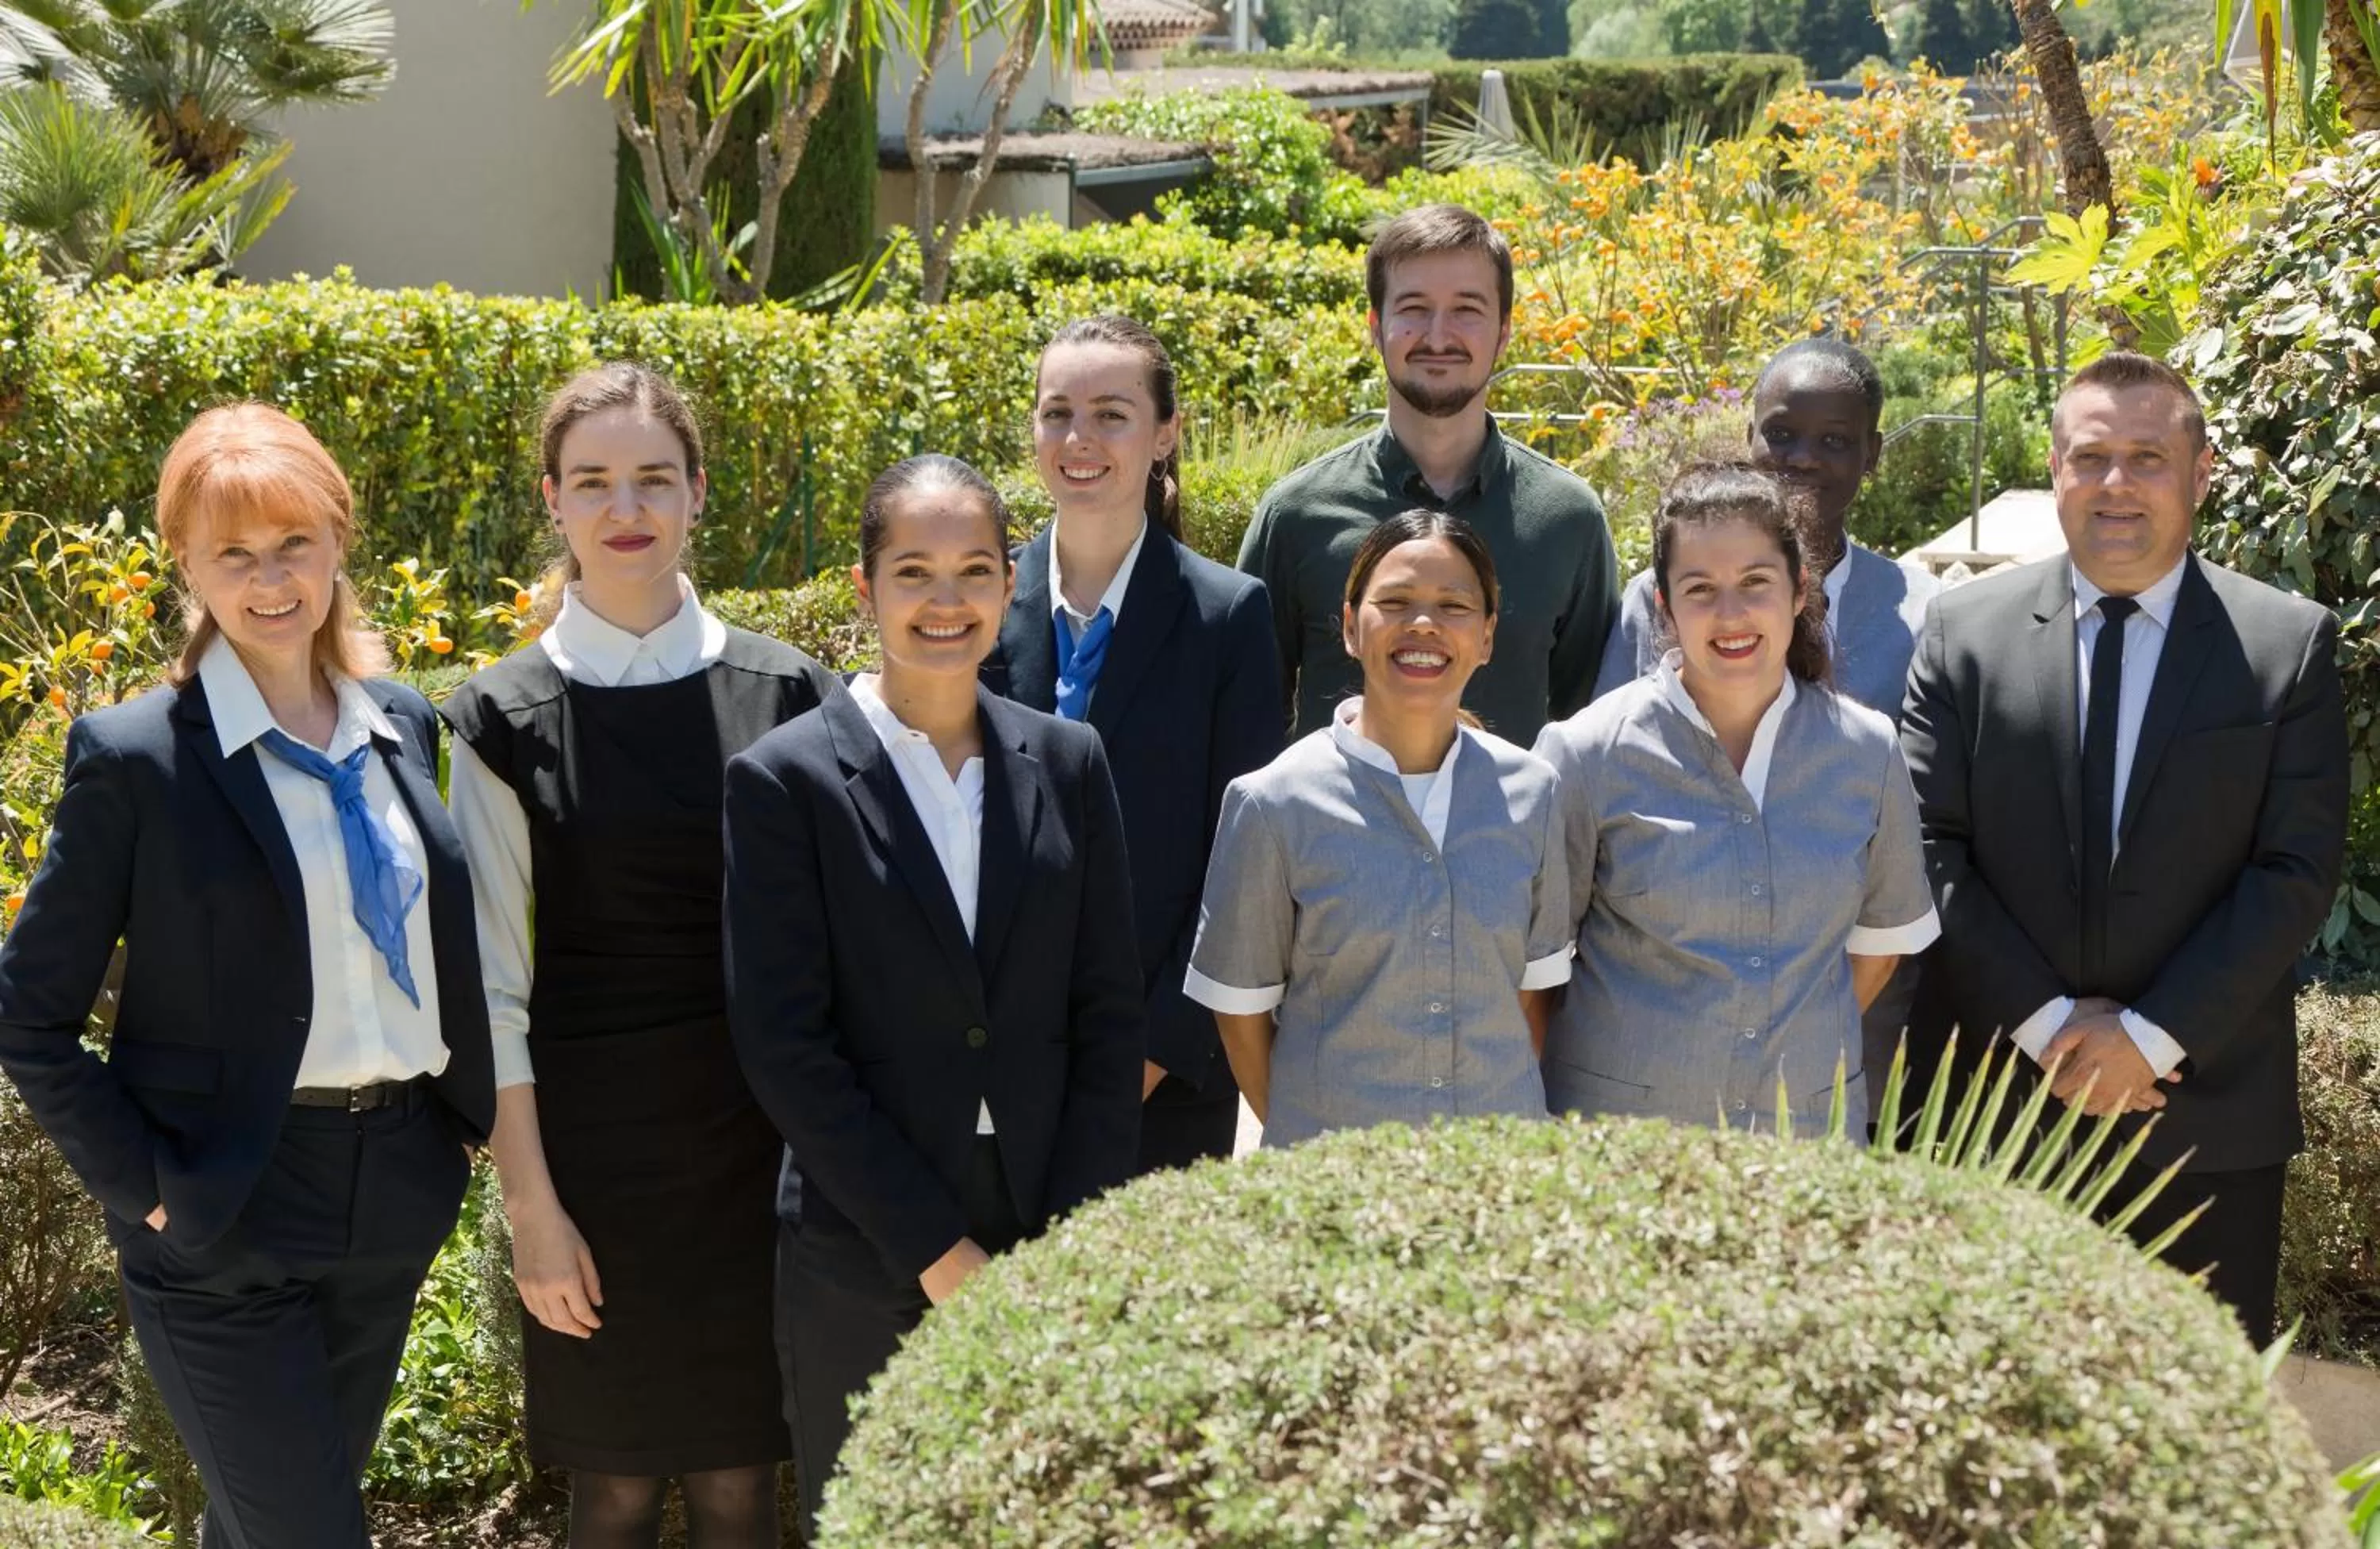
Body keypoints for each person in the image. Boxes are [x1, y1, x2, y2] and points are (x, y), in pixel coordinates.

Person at [0, 404, 495, 1547]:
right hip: (225, 1210)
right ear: (189, 565)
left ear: (336, 545)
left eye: (294, 547)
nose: (271, 581)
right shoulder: (137, 759)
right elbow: (28, 1017)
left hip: (394, 1190)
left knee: (263, 1530)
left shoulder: (400, 726)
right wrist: (151, 1187)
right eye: (236, 554)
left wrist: (454, 1139)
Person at [441, 364, 836, 1547]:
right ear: (552, 501)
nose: (628, 510)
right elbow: (494, 994)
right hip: (592, 1175)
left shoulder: (792, 696)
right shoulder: (497, 719)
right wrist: (532, 1212)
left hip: (761, 1168)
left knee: (738, 1489)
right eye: (596, 482)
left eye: (655, 479)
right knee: (608, 1496)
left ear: (698, 494)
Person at [723, 455, 1144, 1533]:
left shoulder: (1069, 761)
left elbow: (1105, 1015)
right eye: (913, 572)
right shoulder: (785, 781)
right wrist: (933, 1251)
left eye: (973, 571)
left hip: (1046, 1222)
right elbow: (785, 1046)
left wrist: (1073, 1243)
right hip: (867, 1240)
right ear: (865, 591)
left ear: (1011, 586)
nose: (944, 602)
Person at [1899, 352, 2347, 1345]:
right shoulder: (1962, 633)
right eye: (2091, 455)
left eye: (2147, 456)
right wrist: (2052, 1025)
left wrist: (2146, 1038)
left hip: (2203, 1123)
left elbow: (2294, 871)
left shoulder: (2287, 644)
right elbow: (1927, 843)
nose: (2116, 483)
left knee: (2200, 1439)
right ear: (2054, 468)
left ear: (2201, 473)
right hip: (1993, 1113)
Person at [1534, 461, 1939, 1136]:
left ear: (1800, 590)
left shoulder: (1867, 752)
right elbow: (1536, 972)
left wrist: (1788, 1033)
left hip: (1805, 1136)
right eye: (1700, 590)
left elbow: (1881, 946)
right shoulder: (1586, 754)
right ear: (1663, 606)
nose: (1731, 615)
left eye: (1755, 583)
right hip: (1620, 1145)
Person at [987, 316, 1282, 1171]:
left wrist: (1147, 1055)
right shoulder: (974, 601)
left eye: (1112, 414)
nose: (1079, 439)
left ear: (1165, 435)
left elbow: (1241, 867)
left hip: (1164, 1078)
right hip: (986, 1071)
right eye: (1057, 413)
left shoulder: (1227, 617)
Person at [1186, 509, 1572, 1147]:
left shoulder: (1534, 793)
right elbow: (1241, 1012)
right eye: (1394, 602)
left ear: (1488, 637)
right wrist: (1317, 1140)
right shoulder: (1273, 803)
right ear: (1348, 627)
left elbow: (1533, 998)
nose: (1423, 624)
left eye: (1454, 605)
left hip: (1494, 1185)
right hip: (1336, 1193)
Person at [1238, 202, 1619, 744]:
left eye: (1467, 309)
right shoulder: (1296, 514)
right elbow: (1246, 718)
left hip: (1513, 829)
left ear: (1504, 331)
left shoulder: (1568, 519)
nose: (1438, 335)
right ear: (1376, 326)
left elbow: (1595, 729)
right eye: (1414, 308)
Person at [1593, 338, 1938, 713]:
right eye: (1780, 434)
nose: (1804, 458)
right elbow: (1611, 742)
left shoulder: (1925, 614)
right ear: (1749, 438)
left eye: (1834, 440)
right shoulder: (1658, 597)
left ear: (1871, 453)